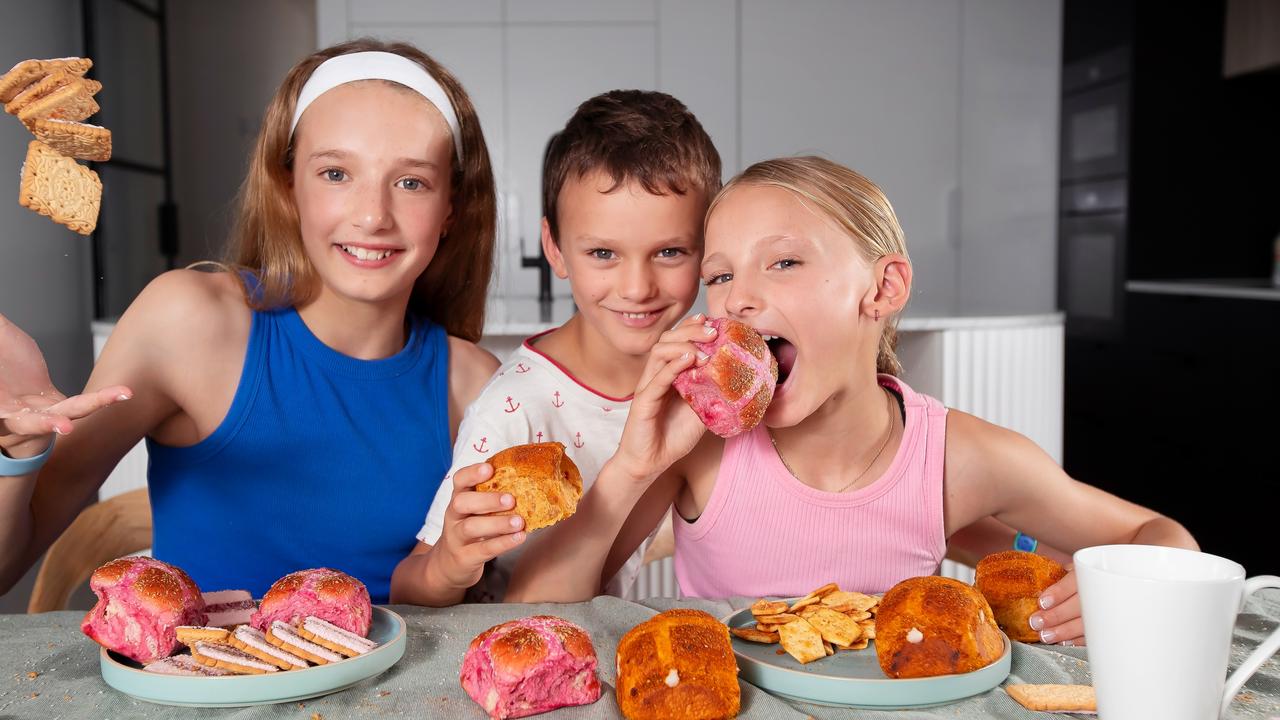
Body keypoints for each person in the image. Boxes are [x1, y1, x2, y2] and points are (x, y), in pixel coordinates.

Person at [505, 156, 1197, 647]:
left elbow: (1164, 541)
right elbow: (531, 615)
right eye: (719, 275)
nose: (738, 297)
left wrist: (1120, 593)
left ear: (883, 289)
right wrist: (630, 464)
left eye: (783, 262)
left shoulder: (960, 458)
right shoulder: (701, 453)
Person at [0, 38, 500, 603]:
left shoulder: (475, 386)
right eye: (335, 173)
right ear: (289, 186)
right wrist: (15, 456)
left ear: (452, 207)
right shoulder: (189, 324)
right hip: (201, 689)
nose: (372, 215)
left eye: (411, 182)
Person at [390, 89, 720, 606]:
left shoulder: (702, 386)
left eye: (670, 252)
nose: (637, 287)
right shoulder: (517, 405)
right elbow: (408, 586)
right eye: (603, 253)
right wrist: (451, 564)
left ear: (708, 249)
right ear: (555, 250)